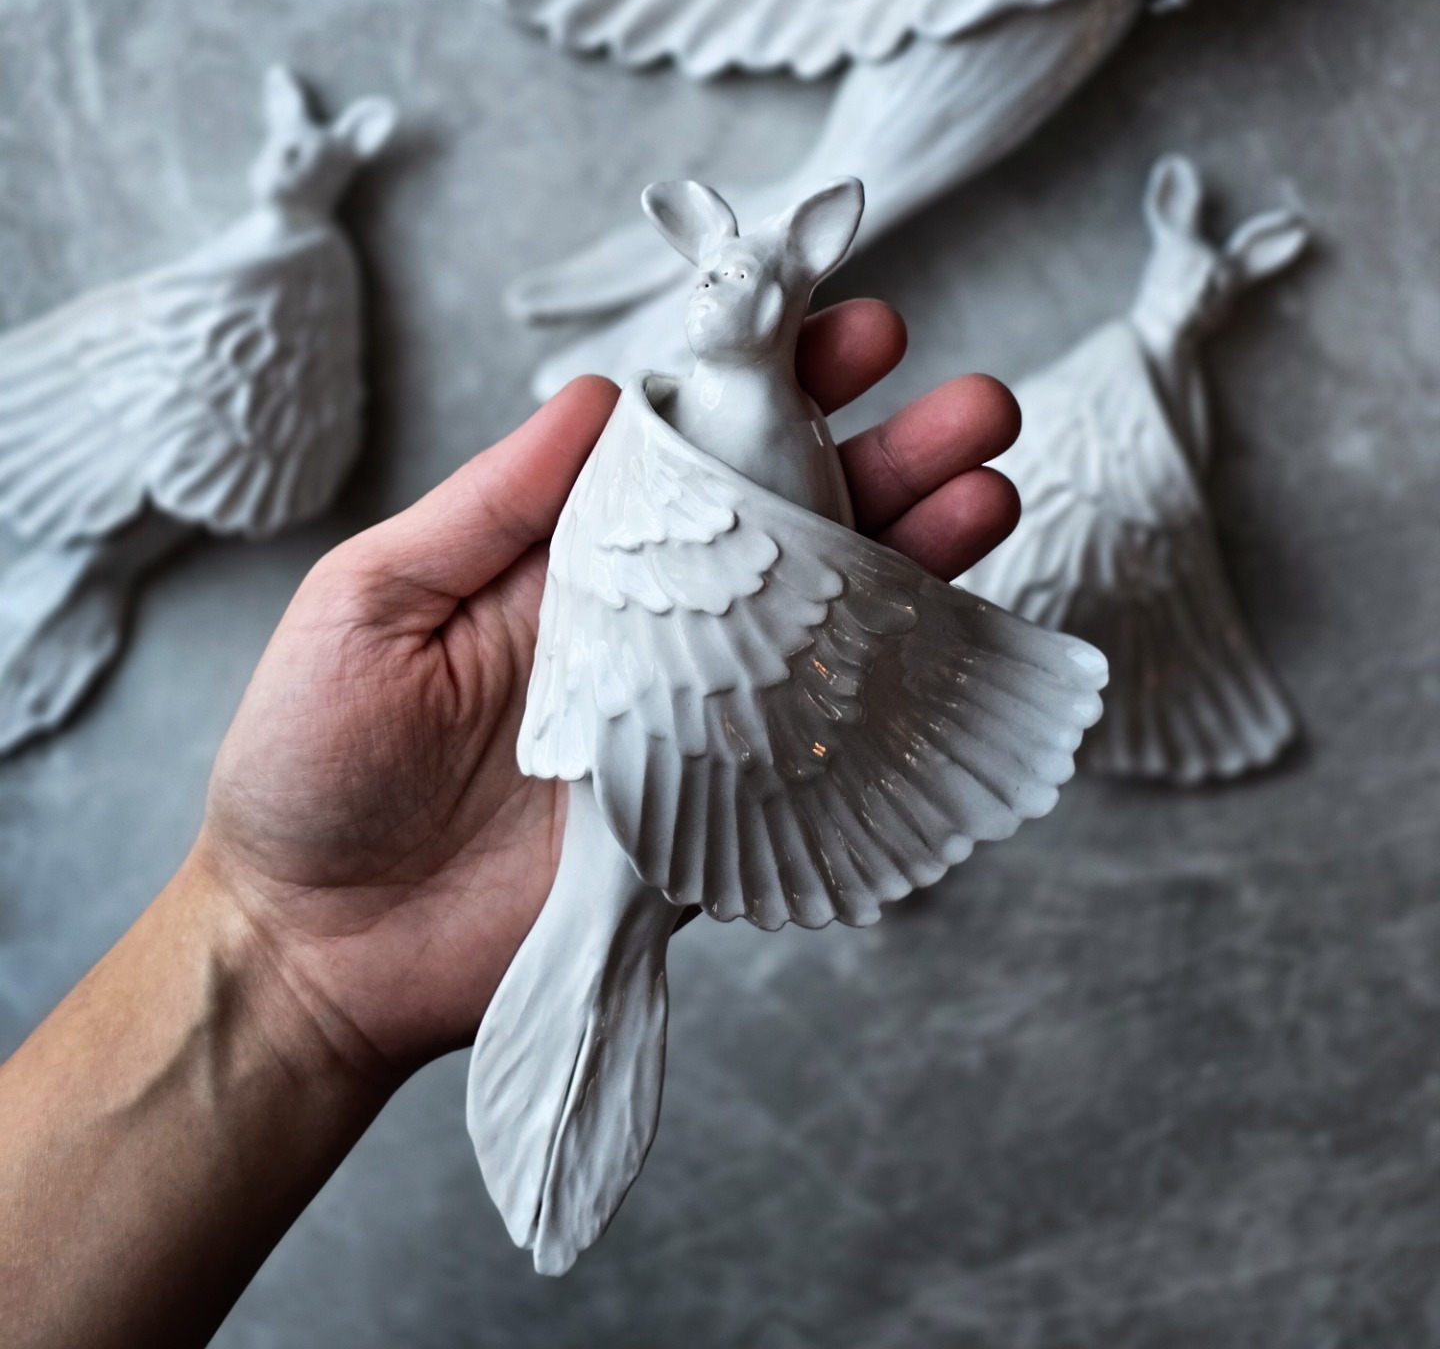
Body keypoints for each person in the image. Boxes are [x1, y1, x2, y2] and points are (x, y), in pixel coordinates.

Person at [0, 301, 1023, 1349]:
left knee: (621, 914)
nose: (723, 301)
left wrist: (282, 960)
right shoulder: (642, 444)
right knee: (601, 930)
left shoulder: (717, 432)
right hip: (615, 745)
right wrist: (278, 943)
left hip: (721, 747)